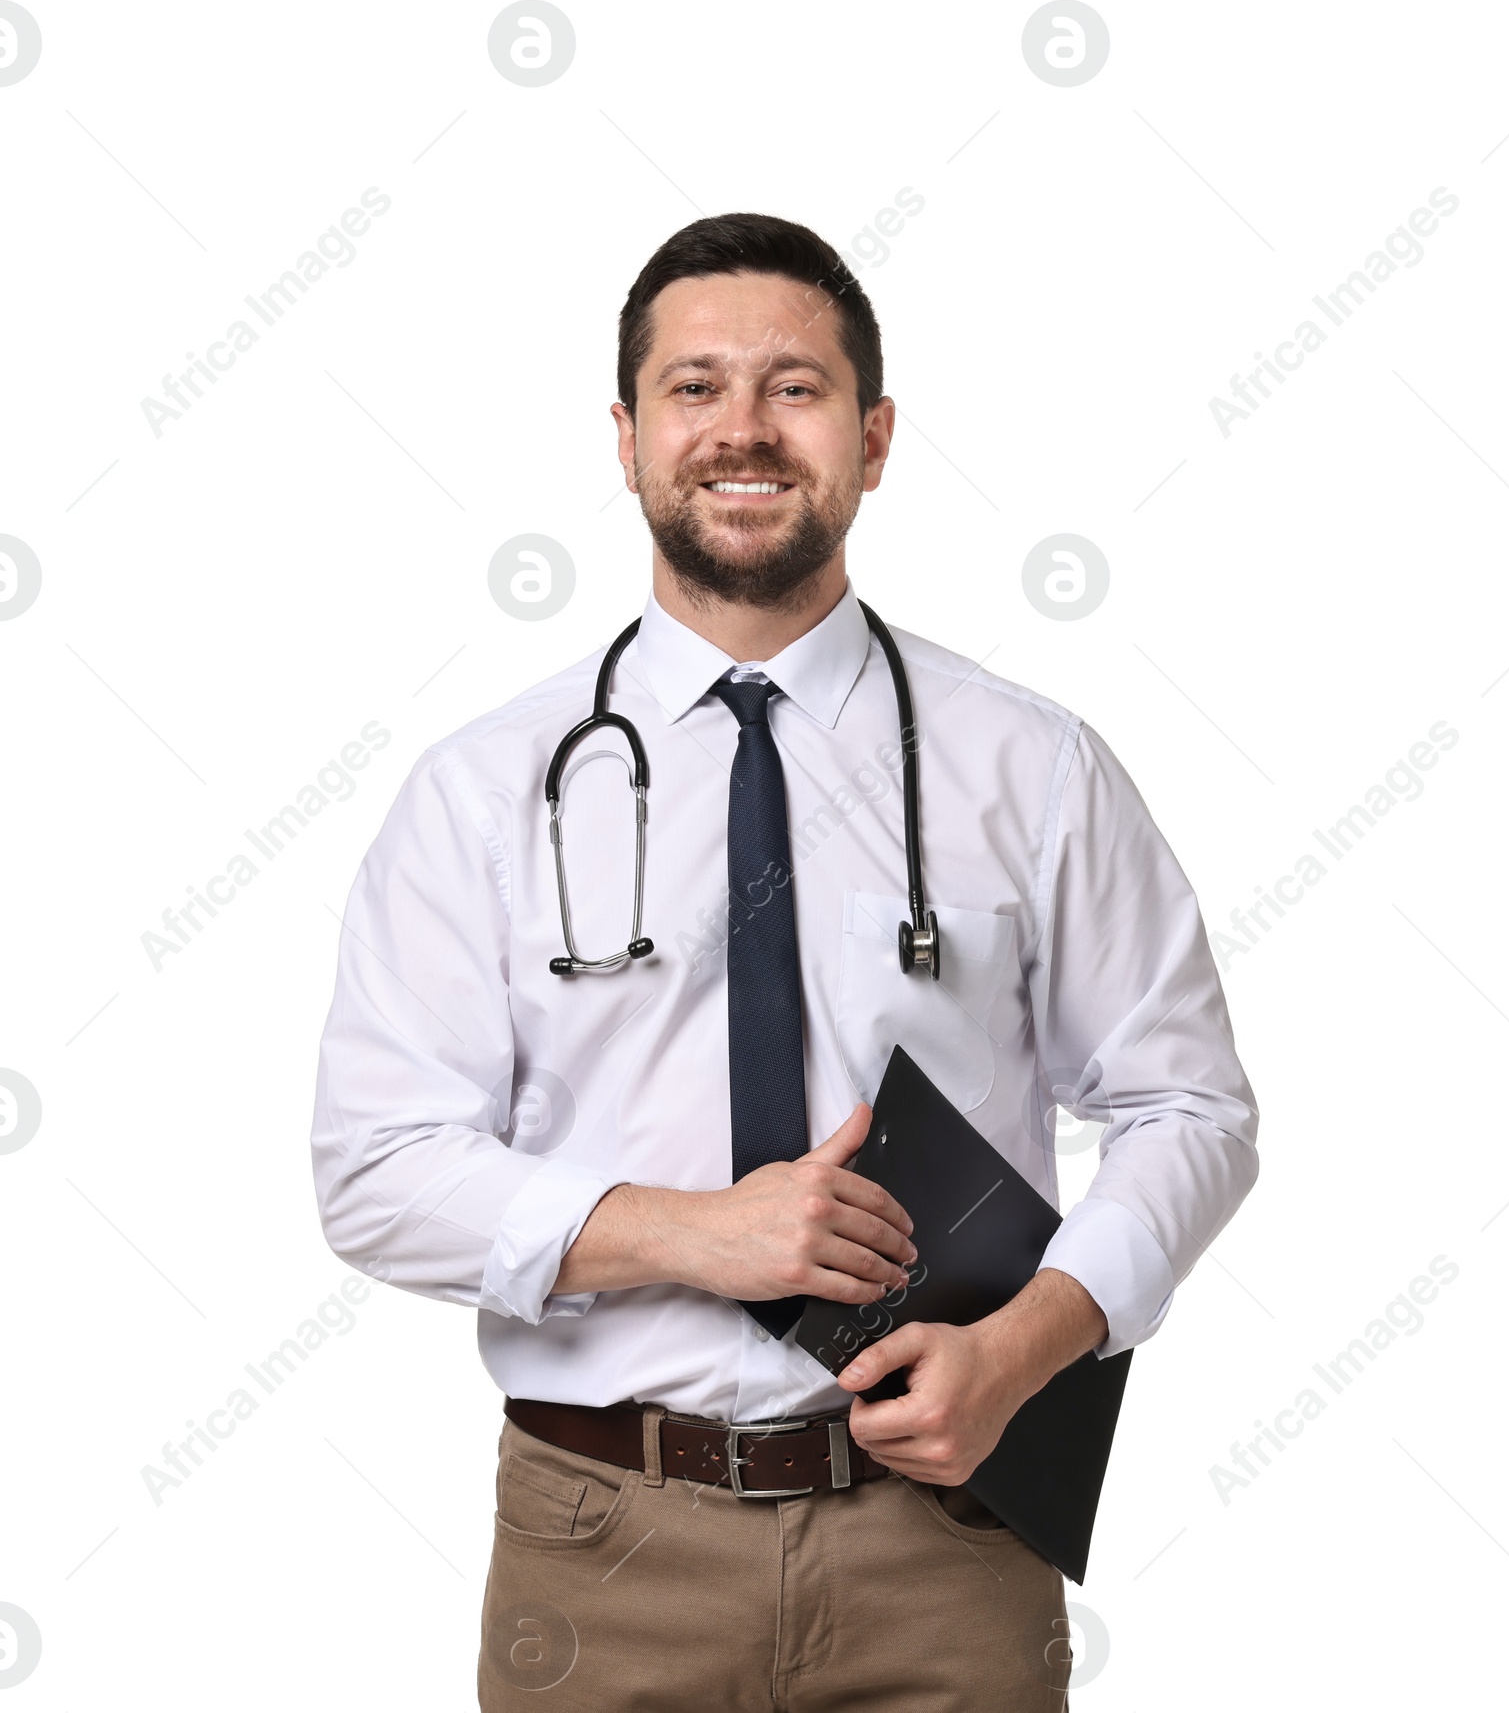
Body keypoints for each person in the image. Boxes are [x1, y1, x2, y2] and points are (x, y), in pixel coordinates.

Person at [309, 212, 1260, 1711]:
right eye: (693, 389)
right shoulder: (484, 791)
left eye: (795, 388)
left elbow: (1187, 1110)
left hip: (943, 1545)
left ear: (873, 440)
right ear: (624, 440)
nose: (741, 429)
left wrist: (1022, 1352)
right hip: (600, 1542)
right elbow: (374, 1172)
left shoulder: (1033, 766)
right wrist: (694, 1232)